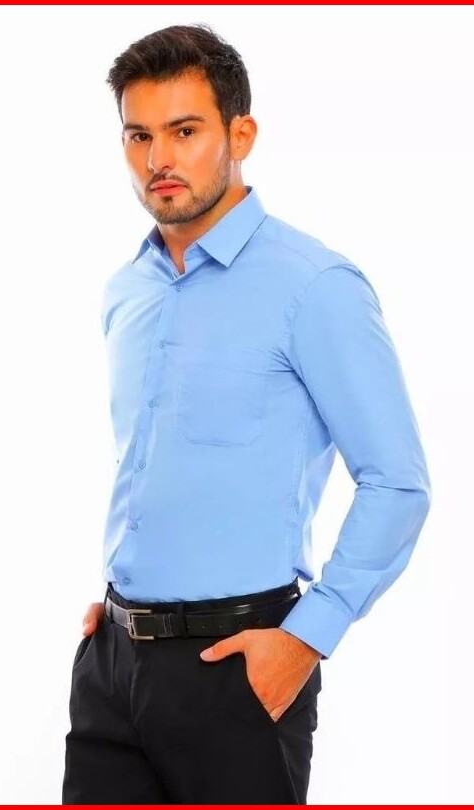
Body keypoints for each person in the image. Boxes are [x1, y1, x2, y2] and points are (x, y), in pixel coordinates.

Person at [62, 23, 431, 805]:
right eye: (138, 135)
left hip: (237, 669)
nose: (158, 159)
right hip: (111, 668)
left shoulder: (315, 287)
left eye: (184, 131)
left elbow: (398, 483)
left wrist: (308, 637)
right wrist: (122, 615)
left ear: (240, 135)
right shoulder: (127, 290)